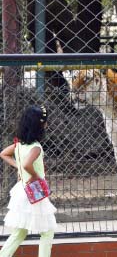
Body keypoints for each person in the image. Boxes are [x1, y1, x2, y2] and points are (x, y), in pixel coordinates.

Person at [0, 105, 57, 257]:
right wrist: (35, 176)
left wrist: (19, 167)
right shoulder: (36, 147)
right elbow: (27, 164)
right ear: (39, 126)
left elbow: (4, 154)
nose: (47, 124)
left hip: (22, 190)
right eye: (45, 122)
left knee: (20, 231)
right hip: (35, 192)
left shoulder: (19, 145)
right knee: (48, 231)